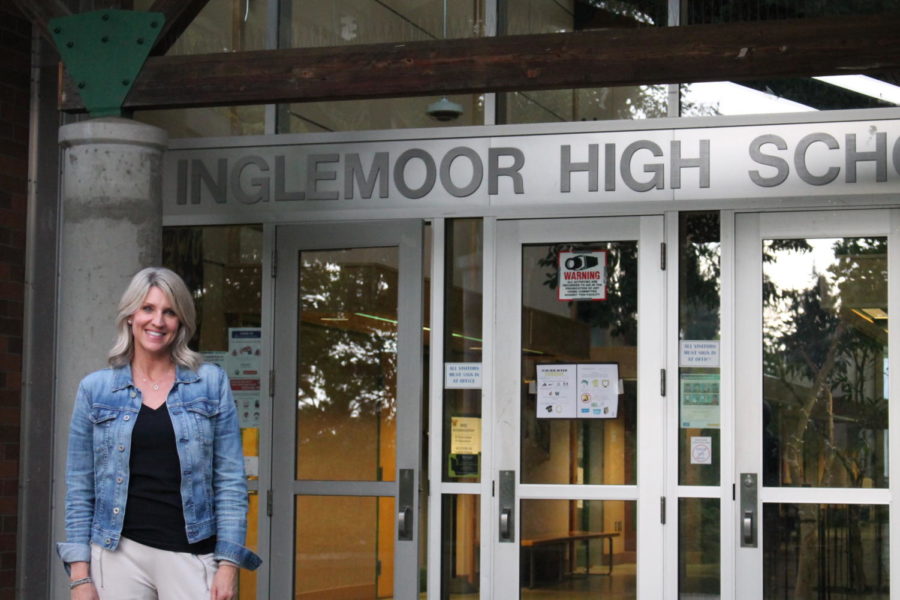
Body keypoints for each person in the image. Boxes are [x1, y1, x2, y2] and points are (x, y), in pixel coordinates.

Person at [57, 267, 261, 599]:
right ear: (130, 316)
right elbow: (80, 488)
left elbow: (230, 481)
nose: (158, 321)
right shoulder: (95, 390)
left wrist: (228, 564)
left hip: (192, 552)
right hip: (116, 554)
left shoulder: (210, 383)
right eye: (148, 309)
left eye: (169, 312)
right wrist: (80, 577)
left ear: (181, 322)